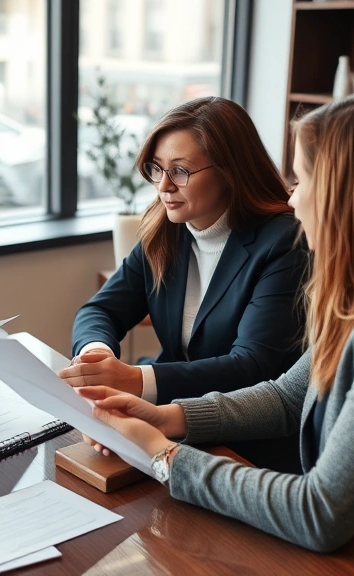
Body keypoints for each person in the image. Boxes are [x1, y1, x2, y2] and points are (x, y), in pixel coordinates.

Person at [77, 94, 354, 574]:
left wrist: (164, 456)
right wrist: (168, 416)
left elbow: (320, 512)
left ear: (350, 191)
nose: (291, 198)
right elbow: (286, 397)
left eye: (302, 180)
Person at [62, 97, 308, 471]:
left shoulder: (285, 242)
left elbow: (254, 366)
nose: (163, 186)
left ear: (230, 171)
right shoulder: (166, 229)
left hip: (248, 446)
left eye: (180, 171)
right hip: (168, 422)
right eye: (156, 168)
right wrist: (98, 354)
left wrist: (135, 379)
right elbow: (102, 309)